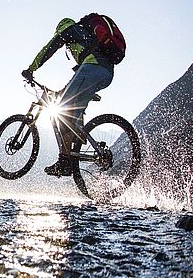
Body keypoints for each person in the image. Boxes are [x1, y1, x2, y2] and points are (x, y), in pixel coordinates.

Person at [22, 14, 123, 177]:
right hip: (106, 73)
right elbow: (77, 81)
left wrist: (31, 69)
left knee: (63, 110)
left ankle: (65, 161)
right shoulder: (87, 38)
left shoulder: (70, 30)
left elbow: (49, 48)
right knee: (69, 105)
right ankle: (77, 140)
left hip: (92, 69)